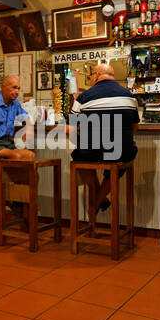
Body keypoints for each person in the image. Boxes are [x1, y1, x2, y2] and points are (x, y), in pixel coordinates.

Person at [69, 62, 139, 213]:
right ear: (112, 77)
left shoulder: (83, 97)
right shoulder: (130, 96)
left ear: (95, 76)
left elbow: (71, 128)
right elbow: (134, 127)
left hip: (91, 151)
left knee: (79, 156)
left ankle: (95, 199)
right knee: (123, 156)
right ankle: (100, 199)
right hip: (121, 151)